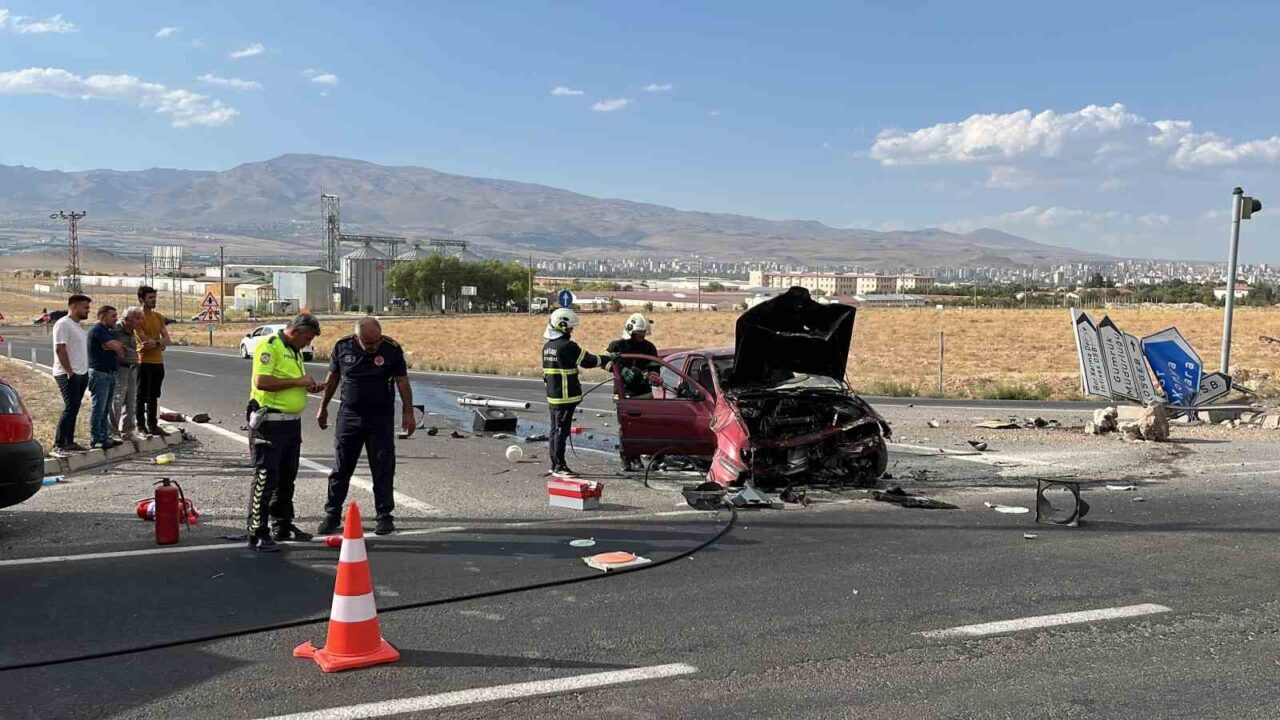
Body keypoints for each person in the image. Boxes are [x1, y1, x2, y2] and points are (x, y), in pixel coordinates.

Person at [316, 317, 415, 536]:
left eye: (376, 342)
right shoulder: (342, 347)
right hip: (349, 417)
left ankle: (384, 516)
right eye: (368, 343)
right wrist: (323, 408)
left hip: (380, 418)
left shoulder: (391, 349)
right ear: (356, 337)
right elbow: (332, 379)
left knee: (382, 468)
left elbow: (402, 381)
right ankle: (332, 514)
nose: (373, 347)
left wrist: (408, 412)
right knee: (341, 468)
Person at [244, 313, 323, 553]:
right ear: (296, 331)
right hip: (270, 422)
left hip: (291, 423)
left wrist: (308, 385)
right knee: (266, 477)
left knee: (287, 478)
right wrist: (299, 382)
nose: (308, 344)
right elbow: (262, 381)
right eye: (307, 338)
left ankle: (283, 524)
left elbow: (291, 380)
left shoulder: (295, 350)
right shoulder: (269, 346)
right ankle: (257, 531)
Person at [542, 308, 614, 479]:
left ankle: (555, 464)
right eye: (570, 328)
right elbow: (589, 361)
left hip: (554, 396)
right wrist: (608, 357)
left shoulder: (547, 347)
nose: (571, 331)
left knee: (555, 430)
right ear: (562, 326)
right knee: (561, 431)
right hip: (565, 397)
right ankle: (559, 466)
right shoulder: (567, 346)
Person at [604, 313, 661, 471]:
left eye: (643, 334)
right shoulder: (616, 346)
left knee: (643, 428)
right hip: (623, 393)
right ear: (630, 331)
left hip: (644, 393)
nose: (641, 337)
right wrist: (620, 371)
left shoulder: (649, 348)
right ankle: (627, 459)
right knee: (626, 428)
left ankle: (639, 458)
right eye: (638, 334)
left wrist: (649, 375)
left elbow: (655, 369)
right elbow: (604, 362)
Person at [51, 294, 92, 456]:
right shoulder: (63, 324)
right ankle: (59, 444)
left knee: (75, 408)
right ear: (74, 306)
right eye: (85, 307)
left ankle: (69, 442)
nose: (88, 311)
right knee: (70, 408)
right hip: (68, 374)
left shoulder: (77, 325)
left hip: (81, 373)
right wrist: (69, 372)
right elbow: (60, 349)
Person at [134, 285, 172, 437]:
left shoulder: (158, 317)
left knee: (153, 395)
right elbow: (144, 341)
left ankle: (153, 424)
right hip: (143, 361)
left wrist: (157, 343)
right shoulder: (138, 318)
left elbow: (167, 339)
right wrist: (158, 343)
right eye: (150, 298)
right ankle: (141, 426)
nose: (153, 300)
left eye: (154, 297)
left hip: (158, 362)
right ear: (141, 299)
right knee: (140, 395)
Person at [87, 305, 124, 450]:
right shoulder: (98, 330)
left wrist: (117, 345)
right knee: (99, 408)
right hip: (100, 374)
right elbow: (114, 346)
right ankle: (96, 438)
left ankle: (104, 436)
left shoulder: (108, 332)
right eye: (113, 316)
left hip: (110, 374)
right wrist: (115, 346)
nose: (116, 319)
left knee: (106, 408)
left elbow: (120, 350)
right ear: (103, 317)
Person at [109, 307, 144, 442]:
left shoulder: (132, 332)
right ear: (127, 319)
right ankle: (112, 431)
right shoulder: (116, 330)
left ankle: (128, 430)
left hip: (132, 368)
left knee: (131, 400)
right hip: (120, 369)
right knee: (117, 400)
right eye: (137, 318)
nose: (140, 321)